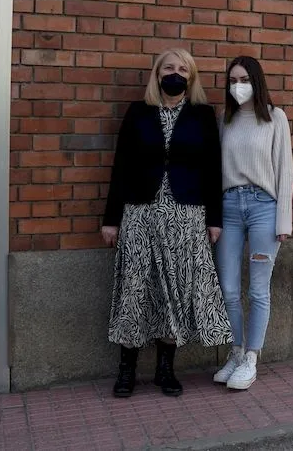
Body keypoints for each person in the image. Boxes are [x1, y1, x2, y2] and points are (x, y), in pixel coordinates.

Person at [102, 48, 232, 398]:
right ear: (157, 74)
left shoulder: (203, 116)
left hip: (186, 216)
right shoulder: (137, 112)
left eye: (183, 70)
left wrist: (214, 220)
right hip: (140, 214)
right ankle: (126, 370)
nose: (176, 74)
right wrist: (111, 220)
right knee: (135, 290)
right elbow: (121, 167)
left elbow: (212, 170)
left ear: (192, 77)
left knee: (174, 292)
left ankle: (165, 369)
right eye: (169, 68)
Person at [213, 56, 293, 391]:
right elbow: (214, 170)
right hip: (229, 206)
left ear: (256, 81)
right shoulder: (224, 120)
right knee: (229, 288)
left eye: (243, 79)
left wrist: (283, 219)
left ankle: (251, 357)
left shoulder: (275, 117)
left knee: (258, 289)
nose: (237, 86)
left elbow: (285, 170)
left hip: (263, 206)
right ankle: (234, 351)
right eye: (232, 81)